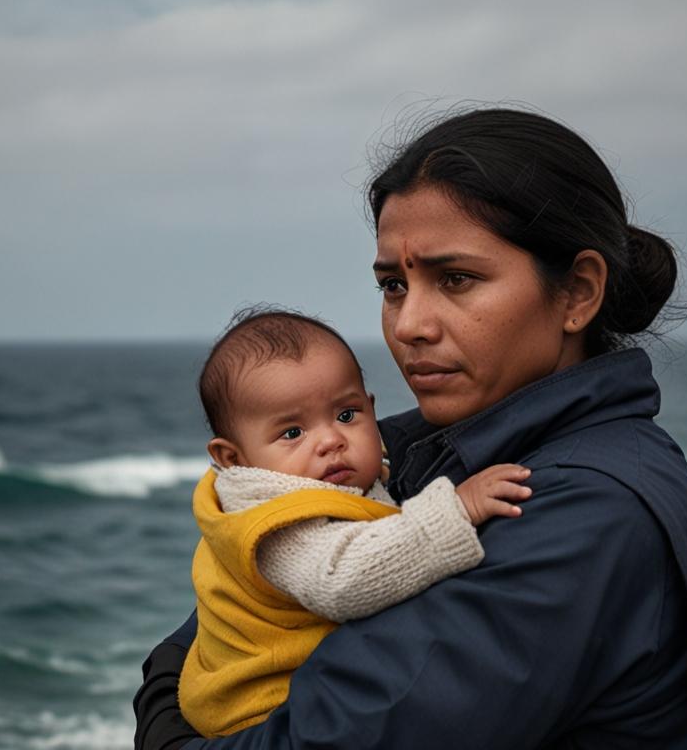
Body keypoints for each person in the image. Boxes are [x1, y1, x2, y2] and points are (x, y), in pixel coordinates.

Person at [134, 107, 687, 749]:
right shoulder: (418, 448)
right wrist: (167, 686)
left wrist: (166, 727)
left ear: (578, 294)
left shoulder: (586, 516)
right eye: (394, 285)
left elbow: (337, 736)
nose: (408, 324)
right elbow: (242, 593)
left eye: (457, 279)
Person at [182, 307, 531, 737]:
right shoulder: (279, 522)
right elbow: (342, 581)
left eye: (346, 416)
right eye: (292, 433)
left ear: (371, 408)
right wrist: (455, 510)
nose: (331, 440)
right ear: (232, 458)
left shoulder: (332, 483)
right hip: (266, 713)